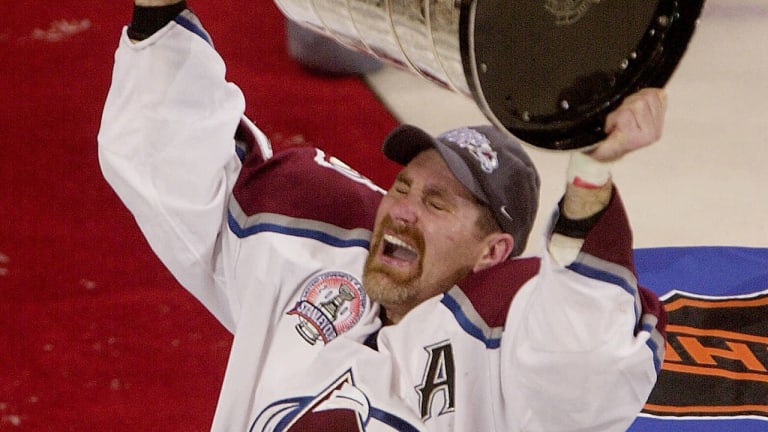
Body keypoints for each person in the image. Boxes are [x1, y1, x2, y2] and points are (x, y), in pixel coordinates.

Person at [98, 1, 668, 431]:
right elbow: (175, 167)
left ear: (491, 252)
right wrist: (157, 13)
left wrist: (592, 171)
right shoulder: (311, 257)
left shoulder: (504, 345)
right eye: (403, 186)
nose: (400, 210)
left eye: (437, 203)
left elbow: (583, 363)